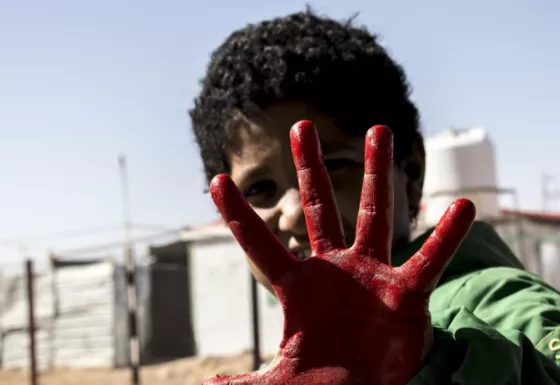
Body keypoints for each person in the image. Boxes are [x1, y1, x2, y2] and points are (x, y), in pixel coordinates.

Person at [189, 10, 560, 384]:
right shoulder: (306, 353)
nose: (294, 214)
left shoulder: (497, 300)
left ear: (411, 172)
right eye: (259, 189)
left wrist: (440, 362)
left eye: (331, 165)